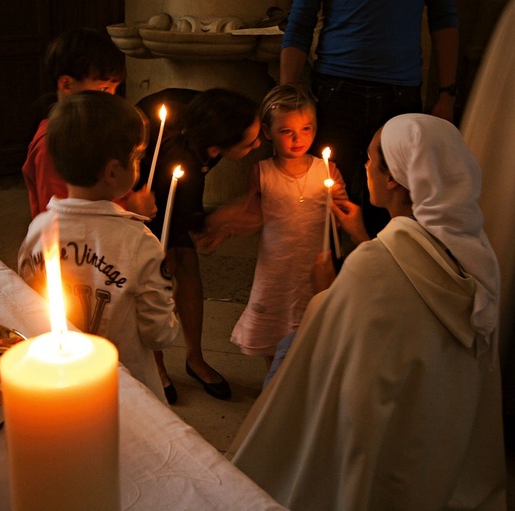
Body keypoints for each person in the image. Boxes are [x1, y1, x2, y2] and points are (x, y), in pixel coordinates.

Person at [228, 113, 506, 510]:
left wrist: (325, 296)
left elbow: (333, 366)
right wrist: (361, 237)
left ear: (393, 177)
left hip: (380, 450)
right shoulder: (476, 253)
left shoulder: (372, 267)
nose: (364, 165)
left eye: (372, 157)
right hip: (440, 446)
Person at [18, 91, 179, 403]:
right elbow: (159, 333)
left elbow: (26, 303)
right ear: (113, 172)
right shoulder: (140, 242)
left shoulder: (38, 229)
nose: (139, 165)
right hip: (126, 387)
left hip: (59, 380)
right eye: (136, 158)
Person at [280, 0, 460, 239]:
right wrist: (285, 101)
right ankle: (330, 275)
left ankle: (382, 272)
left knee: (393, 209)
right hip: (336, 93)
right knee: (322, 208)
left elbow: (444, 16)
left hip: (398, 96)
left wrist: (447, 94)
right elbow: (301, 20)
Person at [197, 85, 347, 361]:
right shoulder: (262, 172)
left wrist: (339, 206)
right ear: (268, 132)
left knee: (312, 327)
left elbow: (341, 216)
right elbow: (252, 214)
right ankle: (274, 380)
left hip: (313, 265)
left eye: (306, 129)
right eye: (286, 131)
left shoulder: (326, 170)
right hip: (276, 266)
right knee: (272, 331)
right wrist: (226, 229)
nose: (297, 138)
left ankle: (301, 380)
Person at [135, 88, 262, 401]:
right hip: (145, 190)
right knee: (159, 274)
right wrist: (217, 221)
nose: (258, 144)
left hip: (183, 168)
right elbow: (179, 210)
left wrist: (215, 224)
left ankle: (195, 358)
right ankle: (156, 363)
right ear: (218, 146)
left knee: (188, 265)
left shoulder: (215, 119)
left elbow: (191, 210)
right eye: (249, 143)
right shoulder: (178, 152)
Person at [21, 27, 156, 220]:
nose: (112, 98)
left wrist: (131, 198)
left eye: (115, 89)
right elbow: (61, 216)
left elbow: (107, 184)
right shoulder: (50, 146)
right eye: (104, 88)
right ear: (67, 85)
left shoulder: (96, 131)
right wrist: (128, 208)